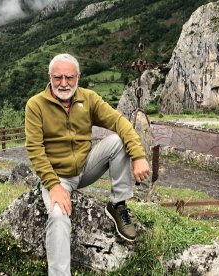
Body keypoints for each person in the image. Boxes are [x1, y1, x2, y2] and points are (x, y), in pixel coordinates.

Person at [25, 53, 150, 275]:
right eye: (58, 77)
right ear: (50, 77)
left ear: (78, 77)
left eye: (69, 77)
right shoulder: (35, 105)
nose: (64, 83)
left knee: (119, 141)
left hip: (85, 168)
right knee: (57, 216)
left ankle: (118, 204)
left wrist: (138, 155)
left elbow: (119, 121)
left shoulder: (89, 98)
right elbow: (35, 150)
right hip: (58, 177)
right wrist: (54, 186)